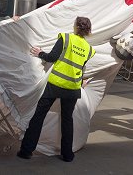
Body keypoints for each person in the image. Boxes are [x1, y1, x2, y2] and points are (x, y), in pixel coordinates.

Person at [17, 17, 95, 162]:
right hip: (73, 87)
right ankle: (67, 155)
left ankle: (26, 150)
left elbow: (52, 57)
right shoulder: (89, 49)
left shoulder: (66, 38)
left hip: (56, 84)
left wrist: (40, 53)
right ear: (88, 31)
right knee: (67, 120)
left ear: (75, 26)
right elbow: (80, 68)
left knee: (39, 116)